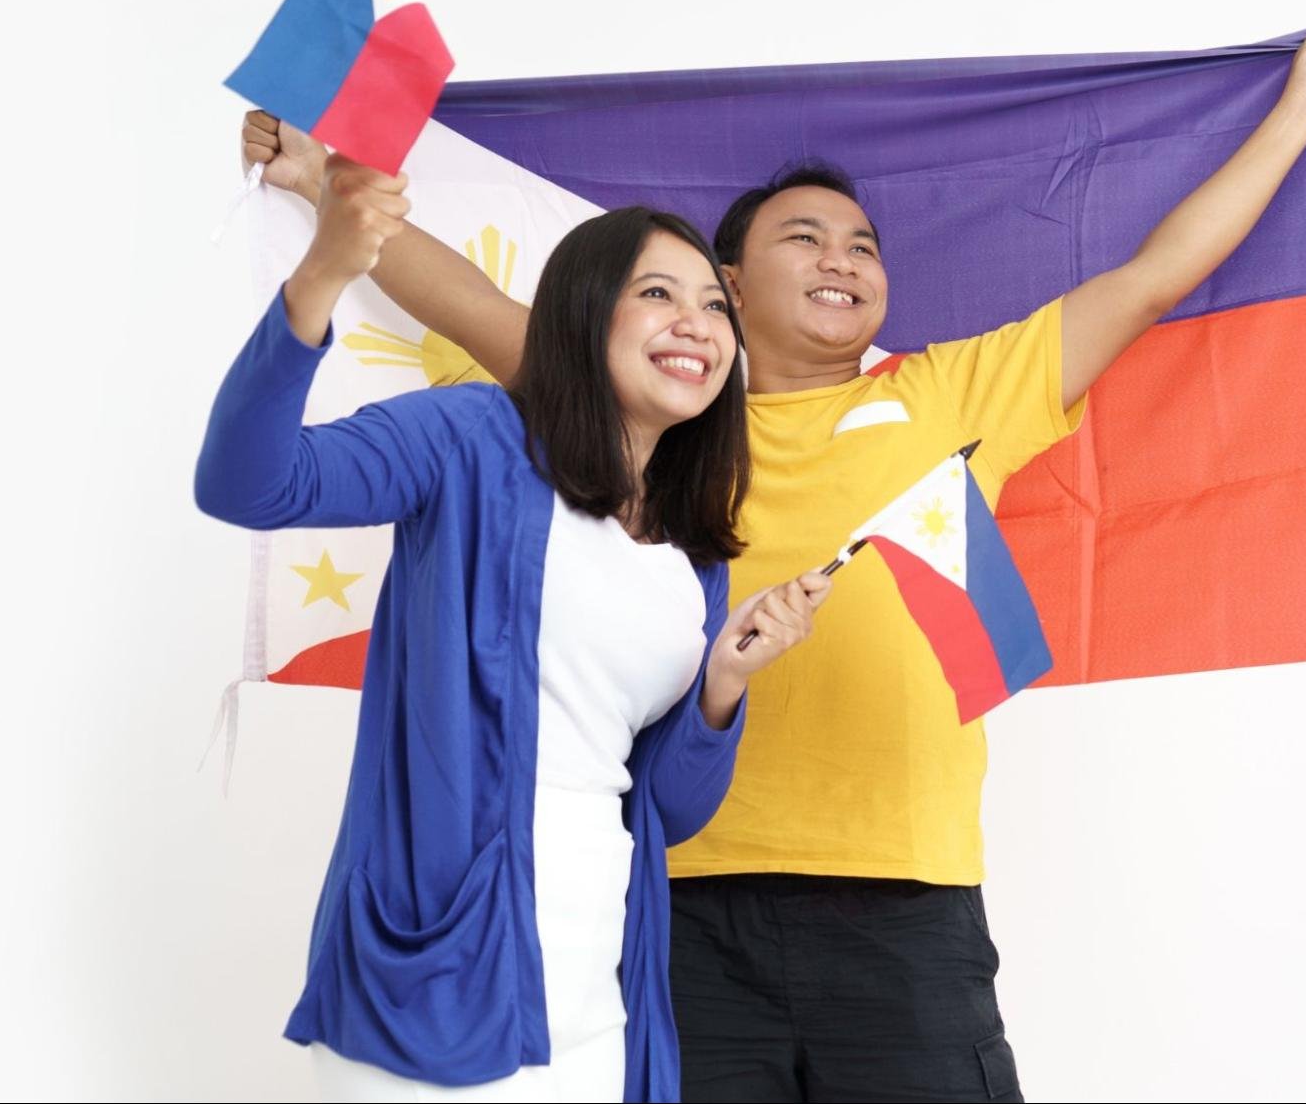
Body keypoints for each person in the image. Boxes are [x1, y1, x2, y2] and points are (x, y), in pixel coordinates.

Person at [241, 1, 1306, 1101]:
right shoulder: (641, 413)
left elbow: (1151, 278)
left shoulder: (949, 394)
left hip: (905, 908)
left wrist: (1298, 115)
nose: (845, 257)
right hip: (685, 909)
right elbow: (474, 299)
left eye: (864, 244)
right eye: (805, 236)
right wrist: (321, 183)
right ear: (725, 288)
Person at [195, 156, 832, 1101]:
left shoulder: (695, 556)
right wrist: (323, 270)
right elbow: (248, 483)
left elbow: (667, 812)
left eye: (712, 305)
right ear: (581, 314)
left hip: (601, 991)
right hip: (442, 975)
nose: (695, 323)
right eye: (657, 292)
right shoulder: (470, 438)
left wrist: (722, 687)